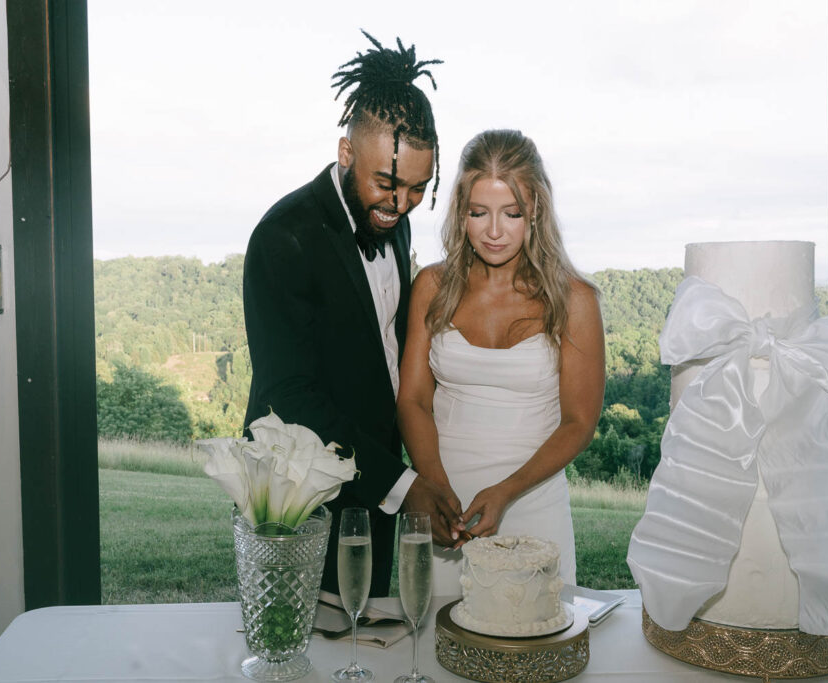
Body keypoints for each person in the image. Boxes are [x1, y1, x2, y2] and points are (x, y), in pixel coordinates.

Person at [242, 31, 463, 598]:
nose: (400, 204)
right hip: (303, 494)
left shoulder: (393, 217)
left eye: (417, 189)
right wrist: (399, 483)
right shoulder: (282, 237)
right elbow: (287, 395)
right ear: (346, 153)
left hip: (382, 478)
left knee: (377, 642)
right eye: (386, 183)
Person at [397, 129, 606, 594]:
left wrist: (506, 492)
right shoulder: (431, 286)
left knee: (534, 650)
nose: (494, 231)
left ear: (536, 211)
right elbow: (411, 400)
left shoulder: (575, 299)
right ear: (460, 212)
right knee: (438, 651)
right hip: (443, 509)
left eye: (512, 213)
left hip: (534, 503)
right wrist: (433, 487)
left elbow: (578, 422)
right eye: (479, 212)